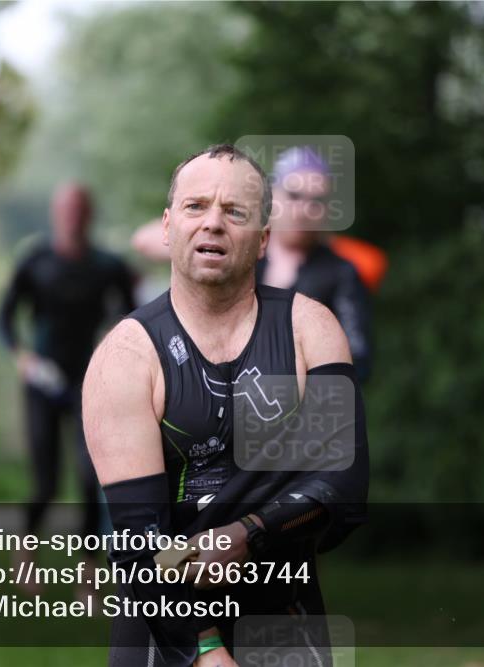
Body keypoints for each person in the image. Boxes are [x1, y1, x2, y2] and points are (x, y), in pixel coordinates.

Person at [84, 145, 369, 666]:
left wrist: (250, 533)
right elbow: (139, 537)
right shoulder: (123, 358)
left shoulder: (311, 329)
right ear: (167, 227)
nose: (213, 223)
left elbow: (344, 487)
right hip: (163, 628)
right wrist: (207, 649)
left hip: (283, 619)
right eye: (196, 207)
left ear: (262, 240)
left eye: (234, 212)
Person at [131, 146, 376, 380]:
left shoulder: (340, 271)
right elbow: (143, 240)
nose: (304, 209)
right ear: (273, 194)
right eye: (294, 195)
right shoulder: (240, 250)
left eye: (316, 201)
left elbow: (358, 358)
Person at [0, 183, 137, 590]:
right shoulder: (35, 261)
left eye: (80, 209)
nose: (73, 216)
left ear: (89, 215)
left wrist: (112, 340)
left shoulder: (108, 266)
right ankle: (25, 554)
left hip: (89, 383)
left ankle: (87, 573)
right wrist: (21, 358)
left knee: (91, 474)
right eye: (67, 209)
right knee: (46, 481)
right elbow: (3, 318)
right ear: (57, 213)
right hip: (42, 382)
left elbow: (131, 319)